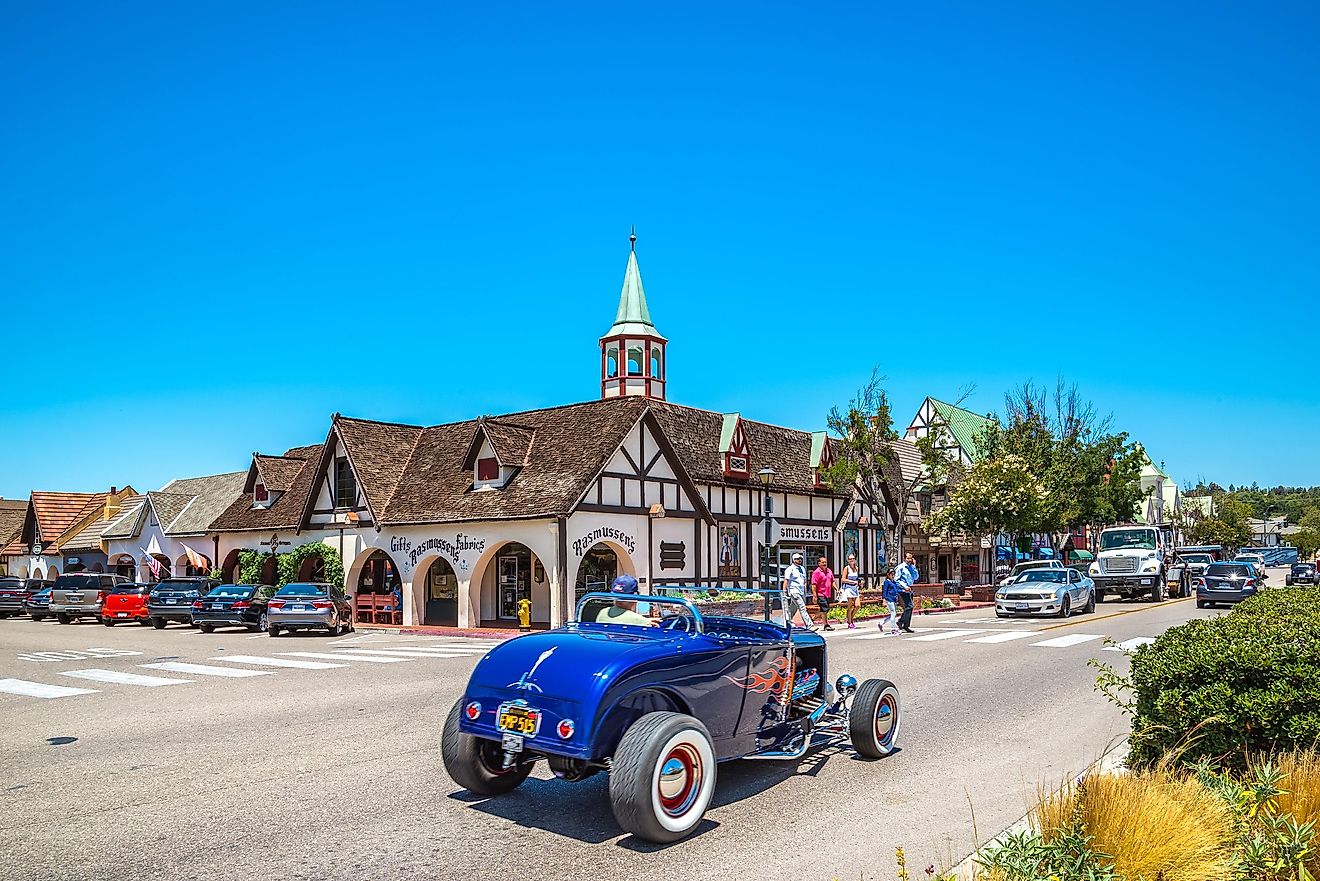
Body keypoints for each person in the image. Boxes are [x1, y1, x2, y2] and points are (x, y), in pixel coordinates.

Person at [781, 552, 817, 631]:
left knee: (793, 608)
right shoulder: (790, 569)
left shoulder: (802, 569)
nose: (799, 560)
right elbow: (786, 581)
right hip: (794, 591)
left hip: (801, 592)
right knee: (802, 607)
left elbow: (804, 581)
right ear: (793, 560)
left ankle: (786, 621)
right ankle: (809, 625)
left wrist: (805, 591)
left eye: (800, 558)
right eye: (797, 559)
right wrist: (784, 592)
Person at [895, 552, 920, 633]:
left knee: (909, 607)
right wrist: (904, 587)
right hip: (903, 589)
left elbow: (916, 577)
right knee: (910, 606)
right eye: (908, 558)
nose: (909, 560)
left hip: (910, 588)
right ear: (904, 558)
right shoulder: (900, 567)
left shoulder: (911, 567)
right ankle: (902, 622)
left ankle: (905, 624)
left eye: (910, 558)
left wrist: (914, 567)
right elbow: (896, 579)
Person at [811, 556, 835, 631]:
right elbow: (813, 584)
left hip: (828, 593)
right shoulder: (816, 572)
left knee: (824, 609)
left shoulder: (829, 571)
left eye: (825, 562)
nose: (825, 563)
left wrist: (836, 588)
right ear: (819, 563)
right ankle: (826, 625)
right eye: (823, 562)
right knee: (824, 609)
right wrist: (814, 595)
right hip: (820, 594)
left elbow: (832, 581)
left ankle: (813, 618)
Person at [839, 553, 861, 629]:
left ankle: (850, 618)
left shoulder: (856, 568)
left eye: (853, 559)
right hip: (848, 588)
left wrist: (859, 583)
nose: (852, 560)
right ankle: (850, 622)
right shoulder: (846, 568)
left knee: (858, 605)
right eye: (850, 559)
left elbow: (857, 579)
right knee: (850, 606)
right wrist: (852, 582)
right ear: (848, 560)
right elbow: (843, 579)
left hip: (855, 588)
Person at [879, 568, 901, 635]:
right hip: (889, 599)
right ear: (888, 575)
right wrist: (884, 599)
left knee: (893, 614)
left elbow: (896, 590)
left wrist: (904, 591)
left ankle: (881, 623)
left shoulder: (893, 582)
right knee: (893, 614)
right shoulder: (887, 582)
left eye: (894, 574)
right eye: (891, 574)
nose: (893, 576)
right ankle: (893, 629)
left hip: (893, 599)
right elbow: (884, 591)